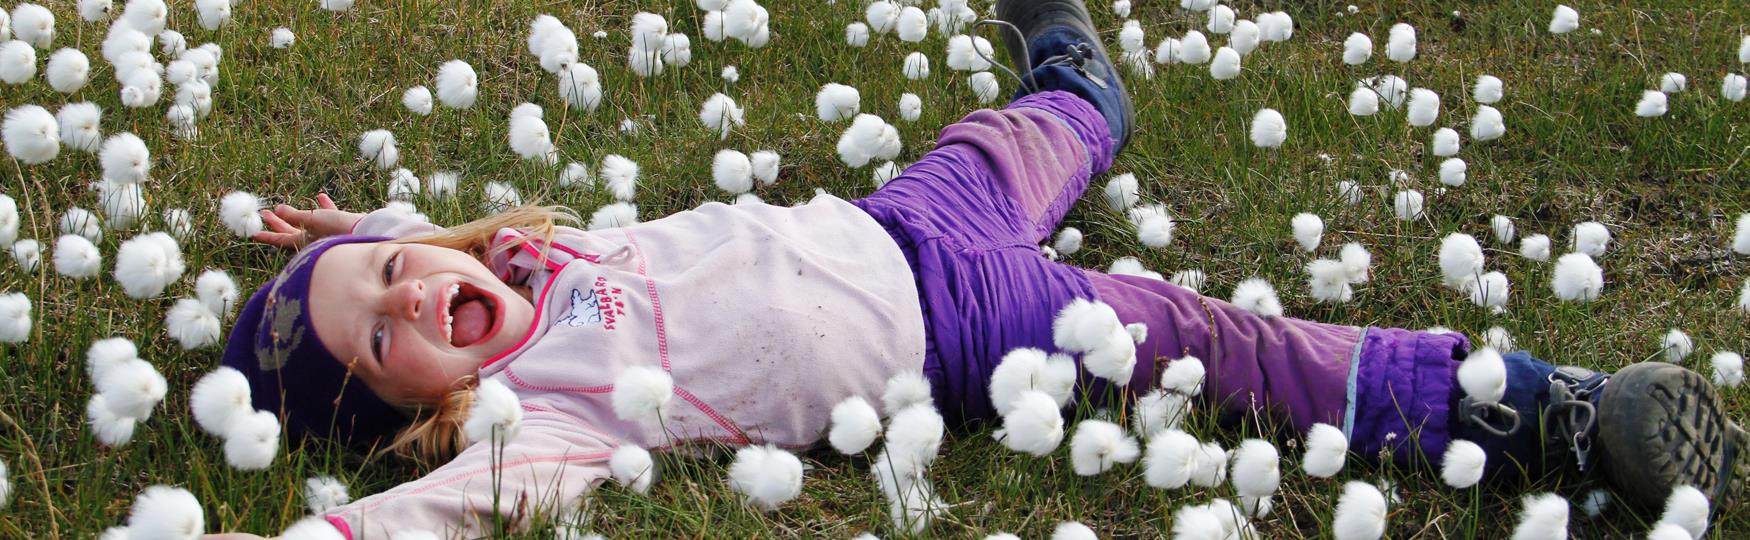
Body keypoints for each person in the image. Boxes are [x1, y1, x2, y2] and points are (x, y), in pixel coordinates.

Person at [212, 1, 1744, 537]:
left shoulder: (548, 254)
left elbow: (416, 255)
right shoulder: (552, 413)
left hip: (909, 214)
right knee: (1231, 347)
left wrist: (335, 239)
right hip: (977, 329)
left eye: (397, 272)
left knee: (1051, 127)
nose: (412, 300)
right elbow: (452, 512)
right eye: (383, 335)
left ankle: (1070, 60)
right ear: (417, 405)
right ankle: (1552, 409)